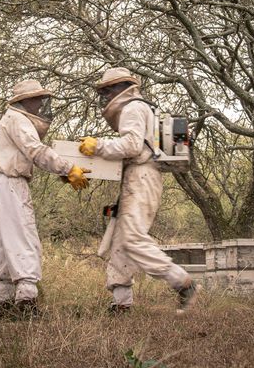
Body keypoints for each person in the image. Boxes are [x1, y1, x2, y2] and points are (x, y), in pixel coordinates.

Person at [79, 67, 197, 314]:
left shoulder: (132, 107)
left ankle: (182, 281)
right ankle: (121, 303)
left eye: (108, 89)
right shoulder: (140, 107)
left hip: (142, 176)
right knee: (121, 241)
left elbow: (131, 145)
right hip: (139, 175)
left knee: (132, 237)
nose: (106, 94)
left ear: (122, 87)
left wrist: (98, 145)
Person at [0, 79, 90, 319]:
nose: (42, 104)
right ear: (26, 101)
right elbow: (37, 151)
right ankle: (27, 301)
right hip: (11, 183)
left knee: (5, 244)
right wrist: (68, 168)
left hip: (0, 183)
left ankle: (3, 303)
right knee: (24, 238)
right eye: (38, 99)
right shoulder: (18, 120)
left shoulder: (11, 119)